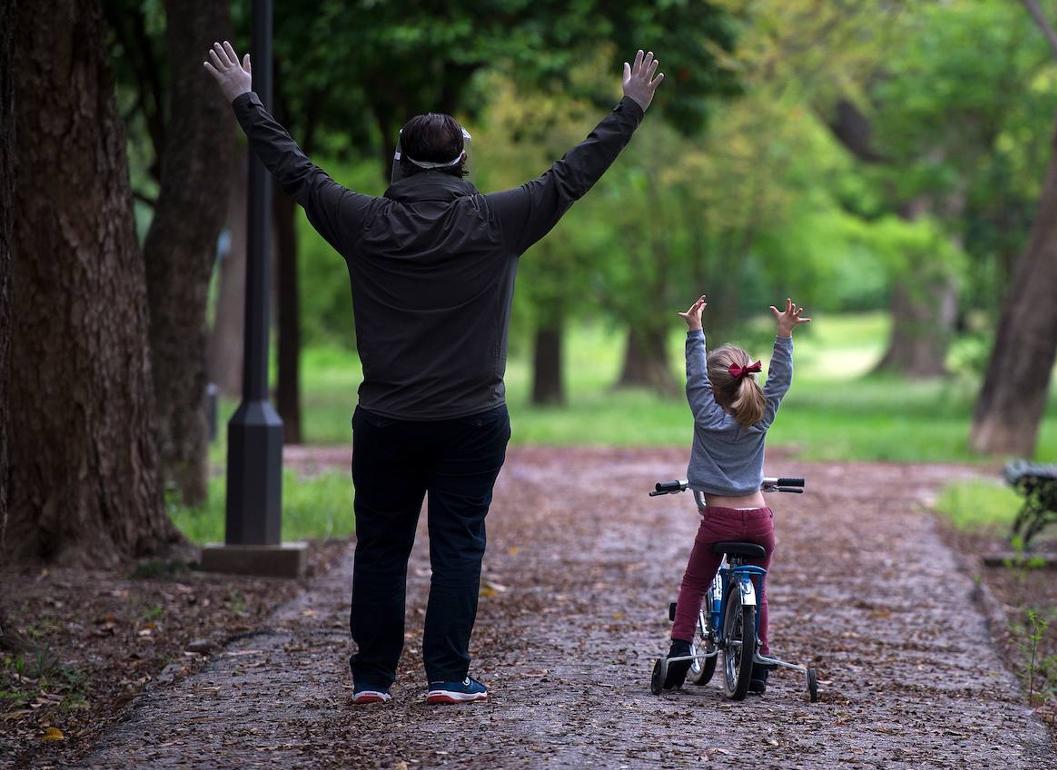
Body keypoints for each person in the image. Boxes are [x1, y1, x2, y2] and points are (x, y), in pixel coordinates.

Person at [203, 41, 665, 705]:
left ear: (400, 160)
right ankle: (447, 676)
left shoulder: (364, 222)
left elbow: (296, 172)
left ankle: (372, 679)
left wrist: (244, 98)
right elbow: (572, 174)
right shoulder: (498, 220)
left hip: (387, 418)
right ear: (462, 160)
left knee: (381, 547)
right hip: (472, 419)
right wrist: (630, 109)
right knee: (457, 545)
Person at [662, 294, 810, 694]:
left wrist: (695, 330)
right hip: (760, 523)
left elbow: (694, 376)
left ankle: (678, 657)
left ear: (713, 389)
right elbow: (779, 382)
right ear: (749, 381)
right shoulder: (760, 419)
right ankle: (758, 666)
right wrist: (784, 336)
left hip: (719, 520)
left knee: (694, 583)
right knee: (758, 591)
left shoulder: (707, 417)